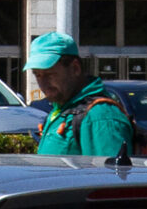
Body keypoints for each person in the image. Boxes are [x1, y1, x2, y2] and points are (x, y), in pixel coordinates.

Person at [27, 31, 135, 159]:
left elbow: (110, 177)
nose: (43, 83)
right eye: (37, 75)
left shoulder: (101, 117)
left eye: (50, 74)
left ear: (75, 68)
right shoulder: (62, 110)